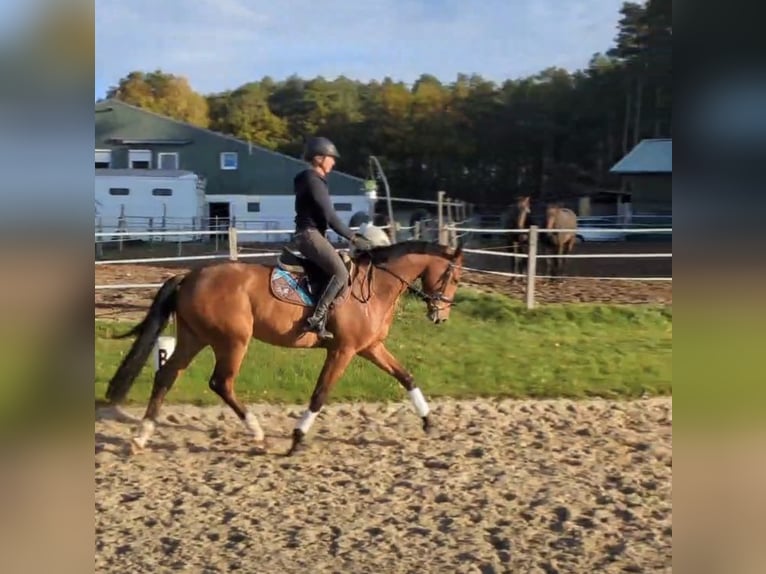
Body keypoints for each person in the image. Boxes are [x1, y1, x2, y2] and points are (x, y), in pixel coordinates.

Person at [293, 136, 373, 339]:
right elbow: (330, 216)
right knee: (341, 273)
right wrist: (353, 238)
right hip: (310, 235)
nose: (334, 162)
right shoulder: (313, 180)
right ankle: (316, 319)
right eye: (330, 157)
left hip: (311, 235)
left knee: (333, 269)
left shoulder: (312, 180)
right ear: (319, 158)